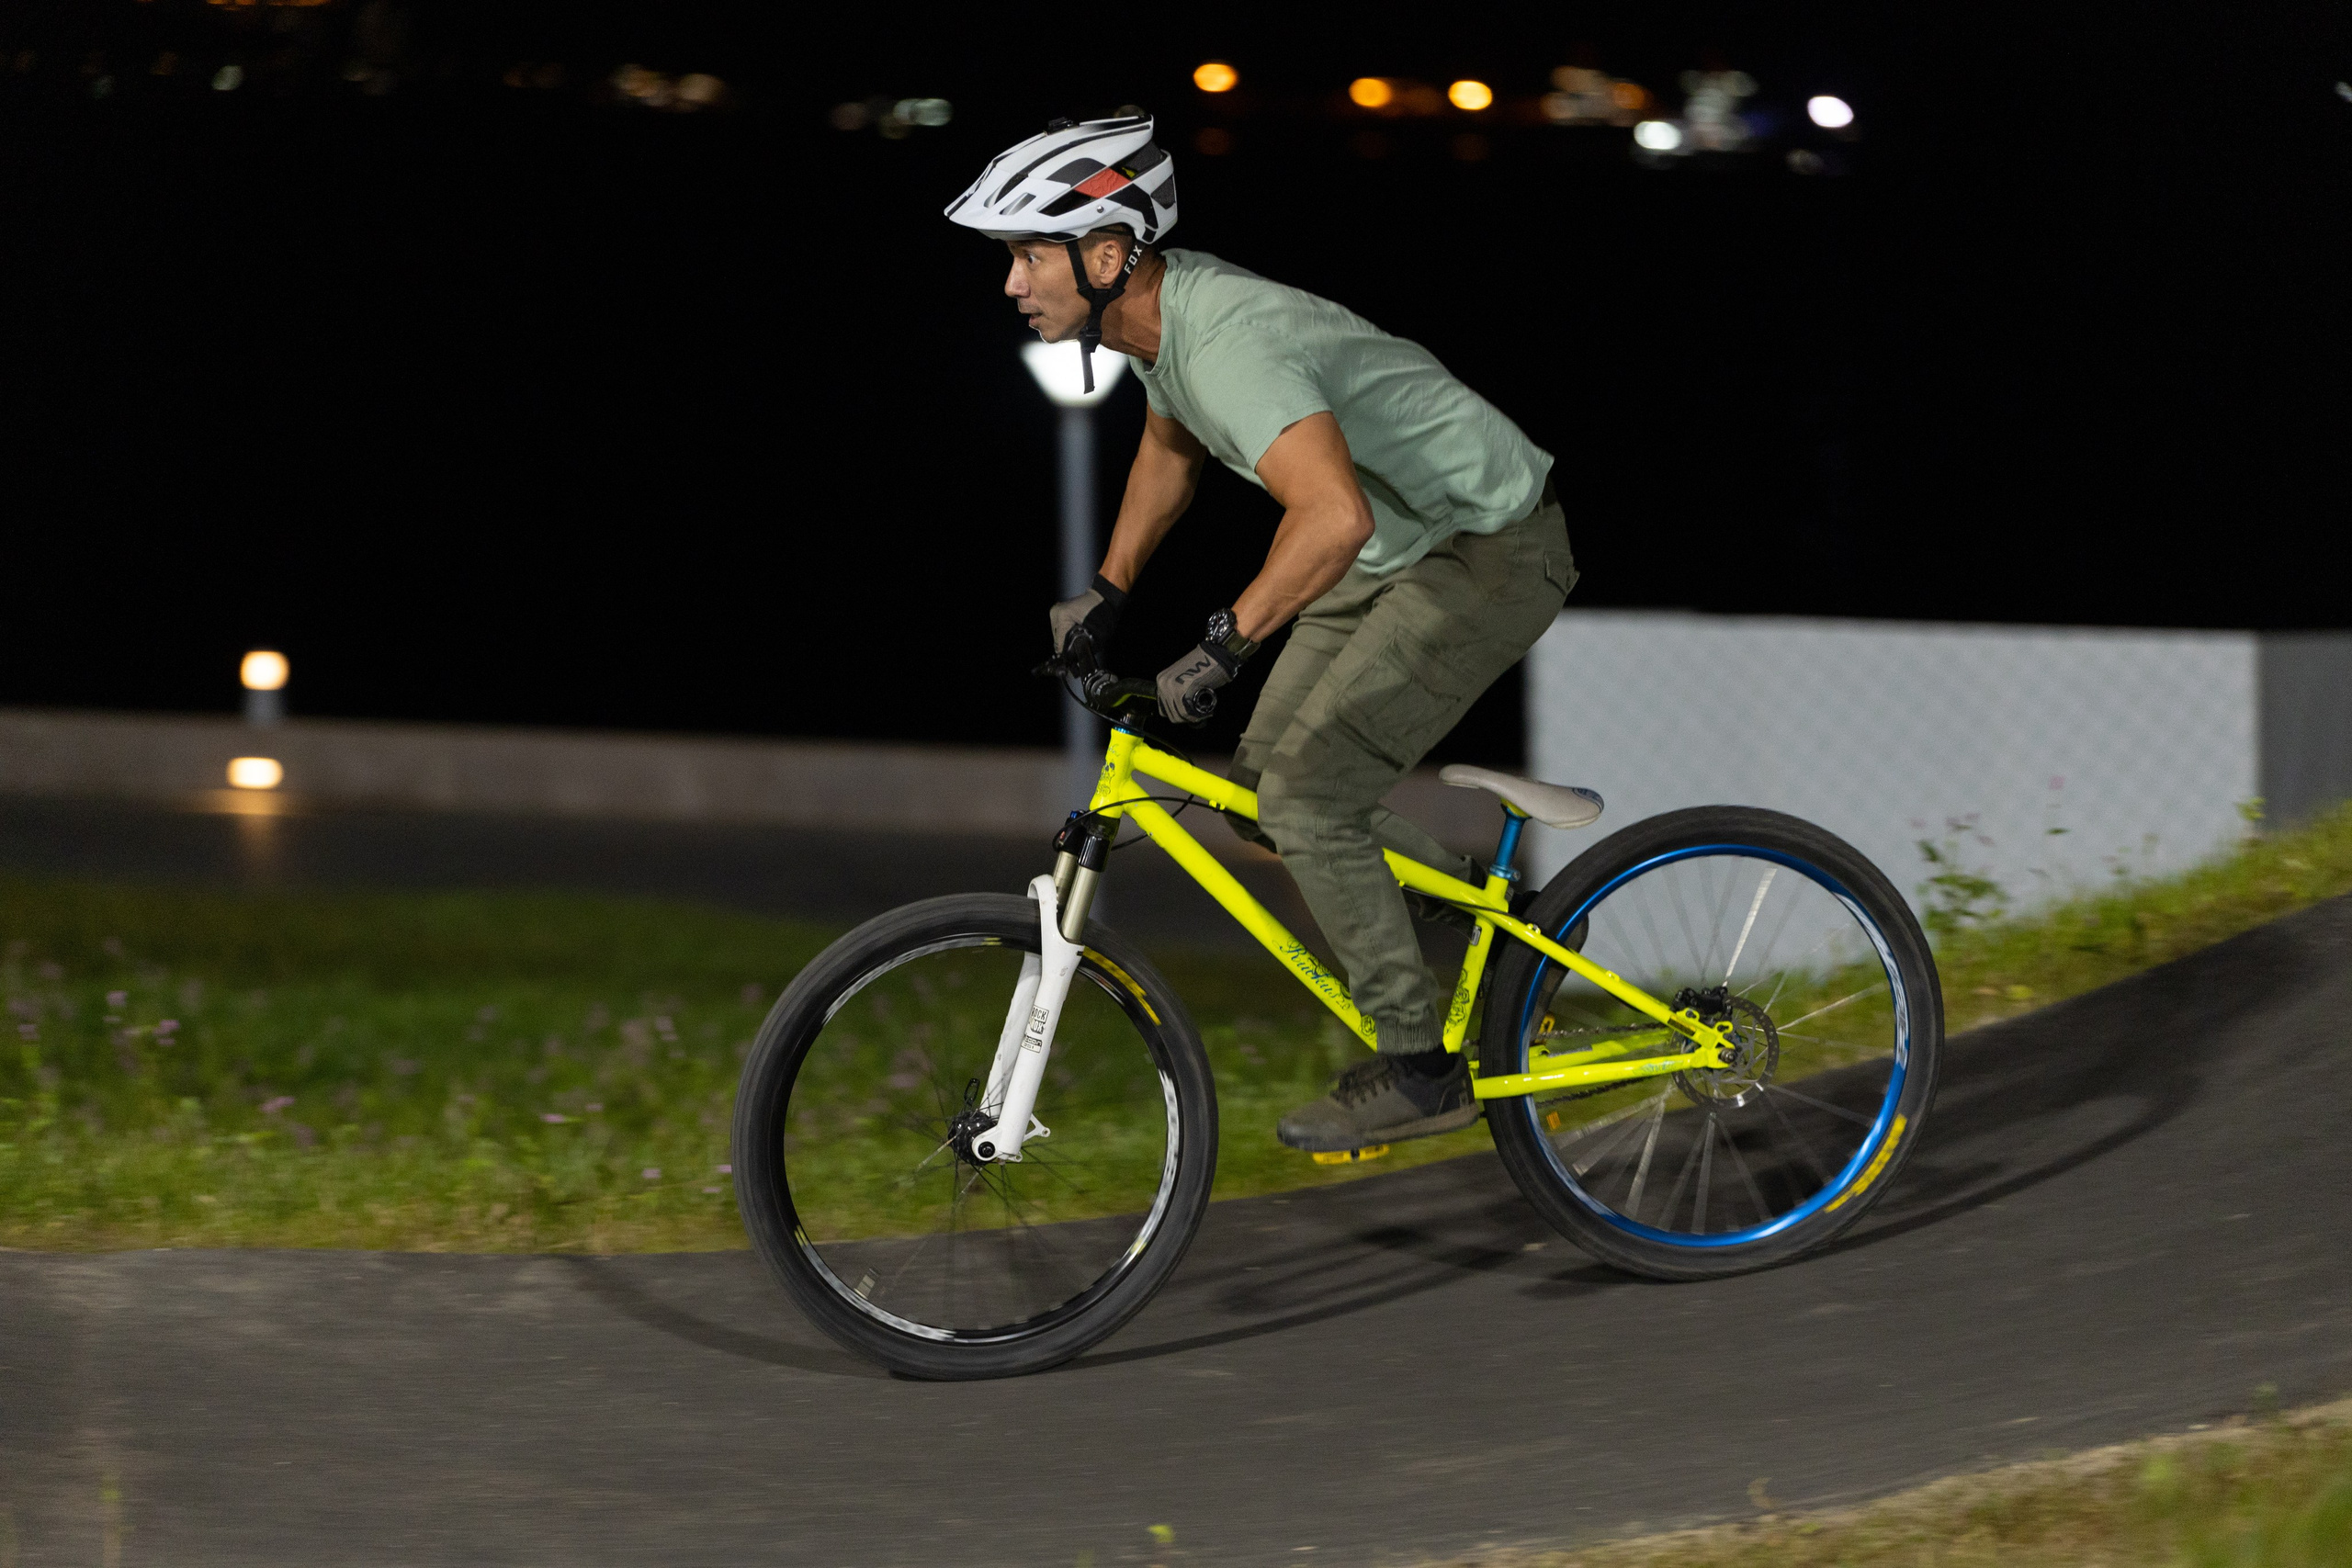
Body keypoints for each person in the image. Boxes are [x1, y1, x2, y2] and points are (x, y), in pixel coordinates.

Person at [945, 111, 1577, 1154]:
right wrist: (1106, 589)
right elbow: (1170, 451)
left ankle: (1421, 1068)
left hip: (1486, 548)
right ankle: (1507, 931)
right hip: (1399, 552)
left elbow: (1332, 516)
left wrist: (1224, 643)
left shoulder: (1232, 342)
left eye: (1026, 254)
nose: (1011, 283)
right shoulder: (1158, 323)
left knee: (1308, 799)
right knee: (1260, 790)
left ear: (1106, 256)